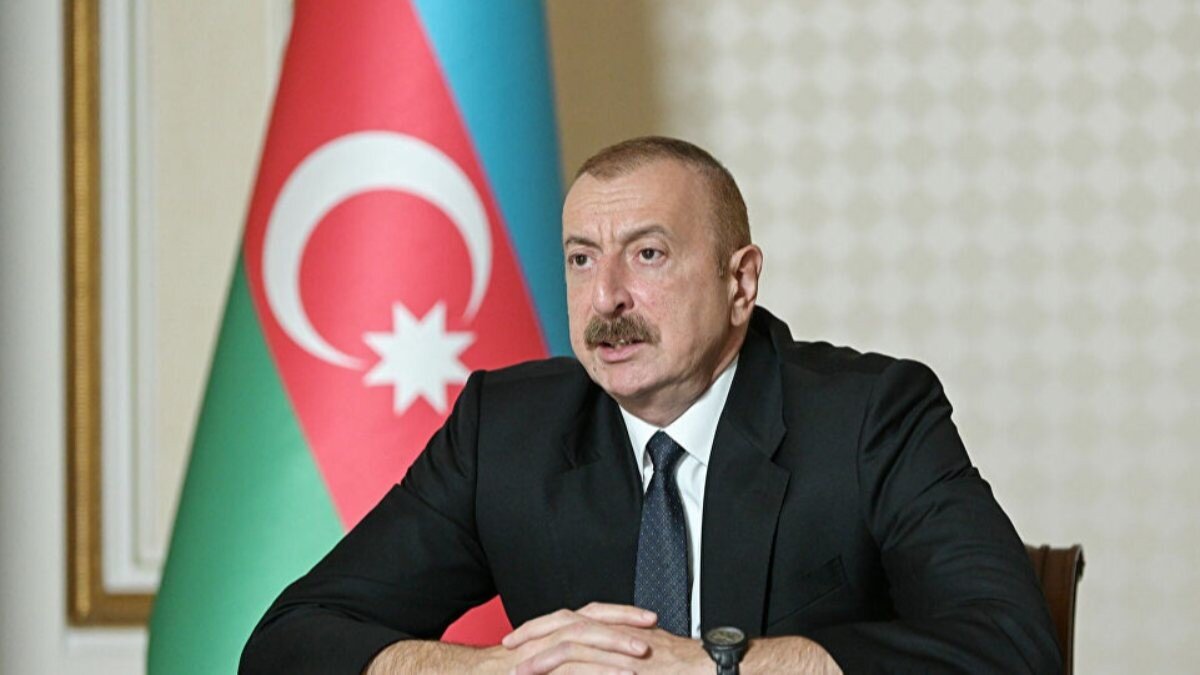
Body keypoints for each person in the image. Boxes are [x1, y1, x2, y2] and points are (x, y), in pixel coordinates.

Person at [241, 137, 1059, 674]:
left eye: (649, 254)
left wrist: (720, 665)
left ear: (740, 281)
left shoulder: (869, 417)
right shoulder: (506, 431)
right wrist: (496, 666)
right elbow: (292, 641)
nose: (606, 297)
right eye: (581, 258)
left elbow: (1012, 645)